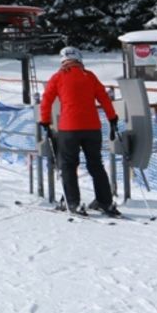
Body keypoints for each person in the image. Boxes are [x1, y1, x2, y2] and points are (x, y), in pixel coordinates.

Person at [39, 46, 120, 217]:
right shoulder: (89, 76)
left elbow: (46, 100)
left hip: (68, 128)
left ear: (63, 61)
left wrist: (45, 121)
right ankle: (105, 202)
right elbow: (104, 98)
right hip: (92, 128)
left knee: (68, 165)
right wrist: (112, 118)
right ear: (80, 59)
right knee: (96, 165)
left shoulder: (58, 77)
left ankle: (73, 202)